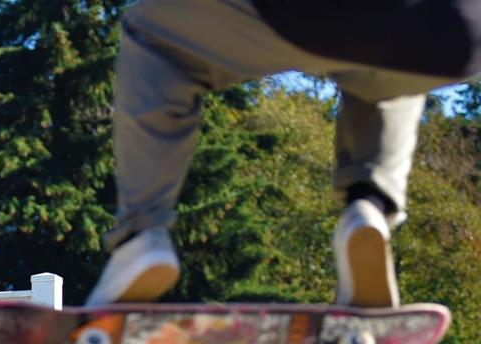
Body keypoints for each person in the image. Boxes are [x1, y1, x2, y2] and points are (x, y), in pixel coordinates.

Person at [87, 0, 481, 308]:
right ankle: (369, 208)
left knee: (155, 35)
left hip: (311, 16)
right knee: (389, 65)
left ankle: (142, 236)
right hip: (454, 37)